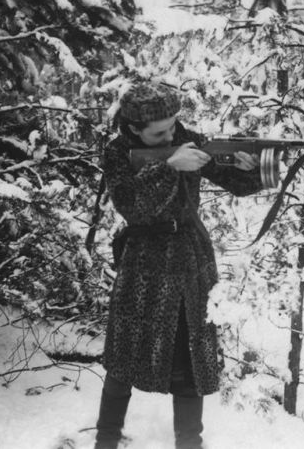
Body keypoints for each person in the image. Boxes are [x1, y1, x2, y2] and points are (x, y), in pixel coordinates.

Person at [96, 82, 263, 449]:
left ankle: (190, 444)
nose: (172, 134)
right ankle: (105, 441)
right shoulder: (118, 152)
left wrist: (252, 167)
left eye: (173, 126)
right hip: (142, 261)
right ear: (134, 128)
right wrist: (170, 167)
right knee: (123, 360)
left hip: (191, 260)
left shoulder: (188, 139)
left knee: (190, 361)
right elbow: (132, 205)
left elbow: (236, 182)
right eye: (160, 132)